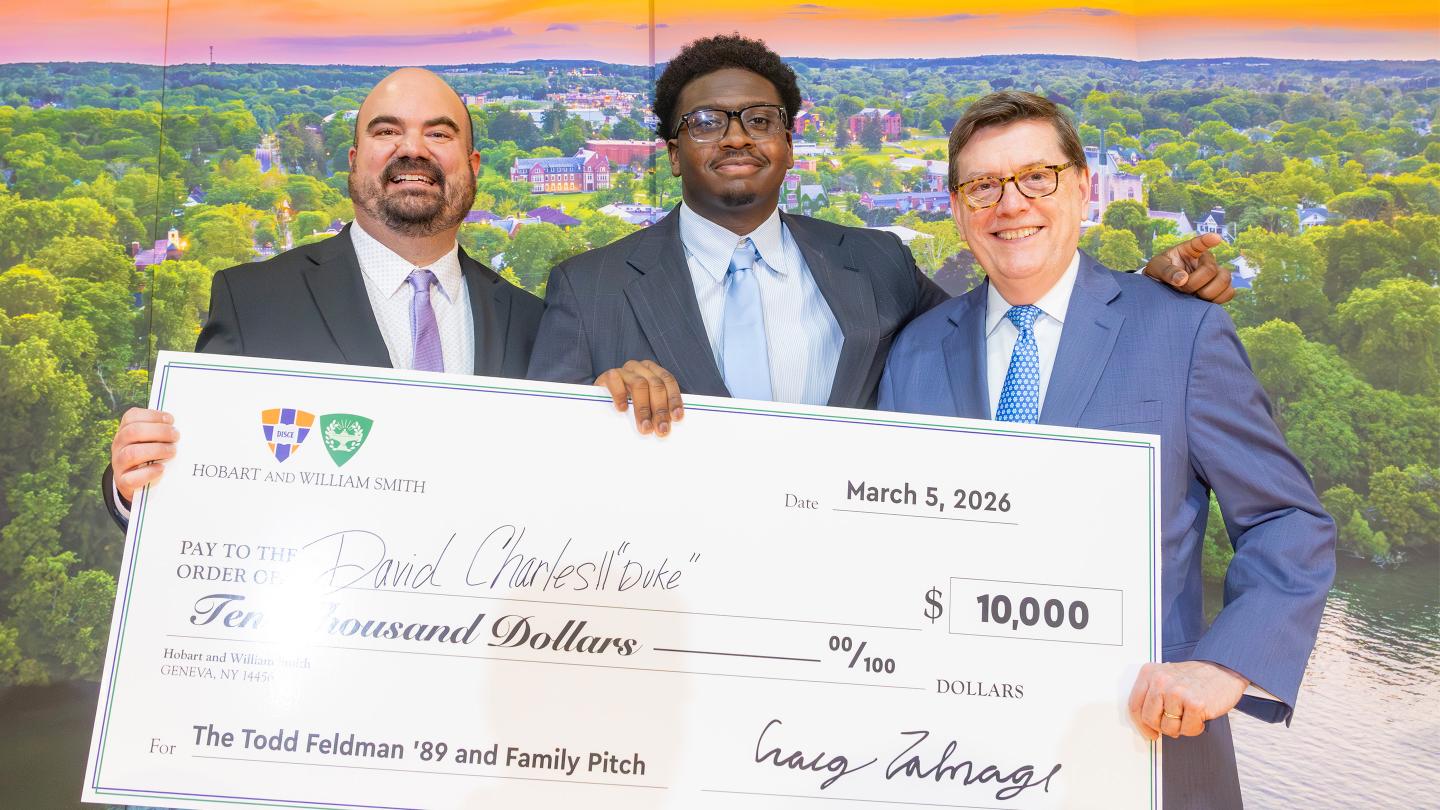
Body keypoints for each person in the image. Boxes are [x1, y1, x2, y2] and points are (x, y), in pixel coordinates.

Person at [878, 91, 1335, 809]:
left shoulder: (1182, 334)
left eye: (1037, 177)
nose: (1011, 204)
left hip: (1147, 749)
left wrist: (1224, 666)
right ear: (960, 208)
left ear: (1083, 186)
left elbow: (1287, 521)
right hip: (951, 756)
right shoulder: (914, 353)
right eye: (983, 186)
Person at [527, 34, 1234, 422]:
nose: (737, 138)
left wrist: (1141, 292)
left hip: (858, 633)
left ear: (789, 143)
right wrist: (596, 407)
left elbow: (1003, 327)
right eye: (707, 121)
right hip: (676, 630)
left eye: (761, 119)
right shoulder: (588, 289)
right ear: (673, 151)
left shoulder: (877, 264)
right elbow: (535, 458)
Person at [106, 68, 579, 527]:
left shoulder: (534, 324)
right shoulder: (254, 302)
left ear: (472, 166)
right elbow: (203, 479)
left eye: (438, 134)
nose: (412, 149)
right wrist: (135, 486)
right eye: (387, 130)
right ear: (353, 160)